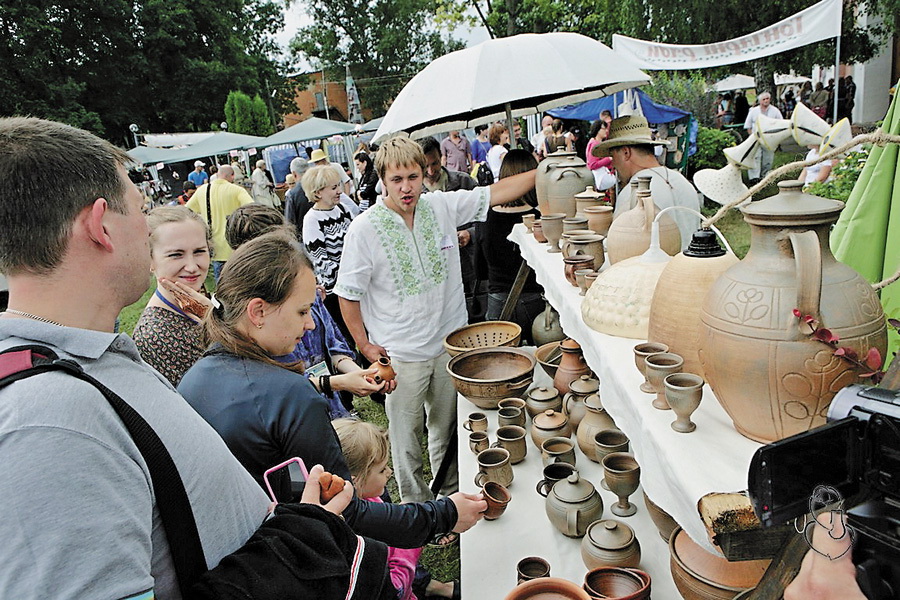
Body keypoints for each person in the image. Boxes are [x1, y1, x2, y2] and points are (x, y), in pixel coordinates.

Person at [0, 116, 276, 599]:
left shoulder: (86, 358)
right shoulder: (46, 419)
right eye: (141, 208)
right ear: (101, 225)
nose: (147, 226)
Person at [177, 231, 487, 547]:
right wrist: (443, 514)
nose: (310, 324)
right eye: (301, 311)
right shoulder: (292, 396)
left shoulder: (192, 380)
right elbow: (344, 511)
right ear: (258, 312)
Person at [335, 136, 537, 503]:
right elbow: (348, 294)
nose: (406, 187)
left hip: (449, 344)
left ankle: (446, 500)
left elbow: (498, 192)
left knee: (445, 430)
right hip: (401, 353)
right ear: (382, 179)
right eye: (396, 180)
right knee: (405, 437)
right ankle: (415, 507)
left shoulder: (441, 207)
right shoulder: (364, 229)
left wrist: (548, 170)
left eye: (413, 177)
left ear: (425, 174)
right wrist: (364, 344)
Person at [224, 204, 385, 418]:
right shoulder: (240, 321)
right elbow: (273, 389)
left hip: (330, 408)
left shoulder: (305, 288)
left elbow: (333, 345)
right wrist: (335, 383)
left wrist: (360, 374)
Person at [333, 419, 458, 600]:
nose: (390, 472)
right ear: (355, 481)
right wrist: (410, 539)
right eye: (382, 469)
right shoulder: (358, 538)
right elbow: (396, 587)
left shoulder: (370, 501)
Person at [593, 114, 700, 250]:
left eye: (613, 156)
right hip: (691, 267)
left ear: (626, 153)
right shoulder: (682, 181)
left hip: (655, 269)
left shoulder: (633, 192)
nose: (613, 164)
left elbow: (619, 246)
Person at [132, 206, 212, 386]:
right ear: (150, 260)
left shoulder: (205, 302)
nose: (192, 267)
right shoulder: (154, 336)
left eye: (199, 251)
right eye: (176, 255)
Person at [474, 149, 544, 342]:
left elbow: (480, 271)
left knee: (503, 364)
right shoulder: (541, 218)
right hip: (537, 301)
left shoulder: (485, 218)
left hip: (498, 302)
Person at [420, 137, 481, 323]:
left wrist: (469, 233)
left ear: (442, 157)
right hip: (433, 271)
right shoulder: (413, 193)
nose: (431, 171)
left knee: (474, 312)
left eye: (435, 163)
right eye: (425, 166)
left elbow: (485, 219)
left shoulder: (464, 182)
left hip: (468, 263)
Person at [301, 165, 360, 342]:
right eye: (334, 188)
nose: (339, 191)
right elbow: (320, 261)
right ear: (318, 192)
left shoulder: (343, 209)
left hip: (356, 284)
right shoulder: (312, 220)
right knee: (349, 338)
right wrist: (348, 275)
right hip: (336, 293)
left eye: (338, 186)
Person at [185, 163, 253, 281]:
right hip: (236, 244)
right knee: (241, 281)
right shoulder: (237, 190)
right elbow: (252, 208)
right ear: (232, 176)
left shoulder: (202, 190)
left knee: (221, 282)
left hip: (214, 245)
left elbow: (186, 211)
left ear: (217, 175)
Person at [744, 91, 784, 181]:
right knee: (755, 157)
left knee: (768, 158)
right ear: (760, 101)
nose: (766, 101)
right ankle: (754, 177)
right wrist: (752, 137)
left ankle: (764, 176)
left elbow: (781, 123)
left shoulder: (775, 111)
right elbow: (748, 125)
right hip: (756, 138)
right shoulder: (753, 111)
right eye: (764, 99)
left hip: (769, 138)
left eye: (767, 99)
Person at [283, 156, 311, 240]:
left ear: (294, 174)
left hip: (304, 239)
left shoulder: (292, 194)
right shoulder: (320, 186)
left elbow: (289, 223)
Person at [585, 120, 616, 191]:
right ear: (597, 130)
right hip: (600, 177)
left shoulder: (596, 143)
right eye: (603, 129)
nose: (606, 131)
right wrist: (609, 159)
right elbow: (593, 165)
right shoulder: (594, 144)